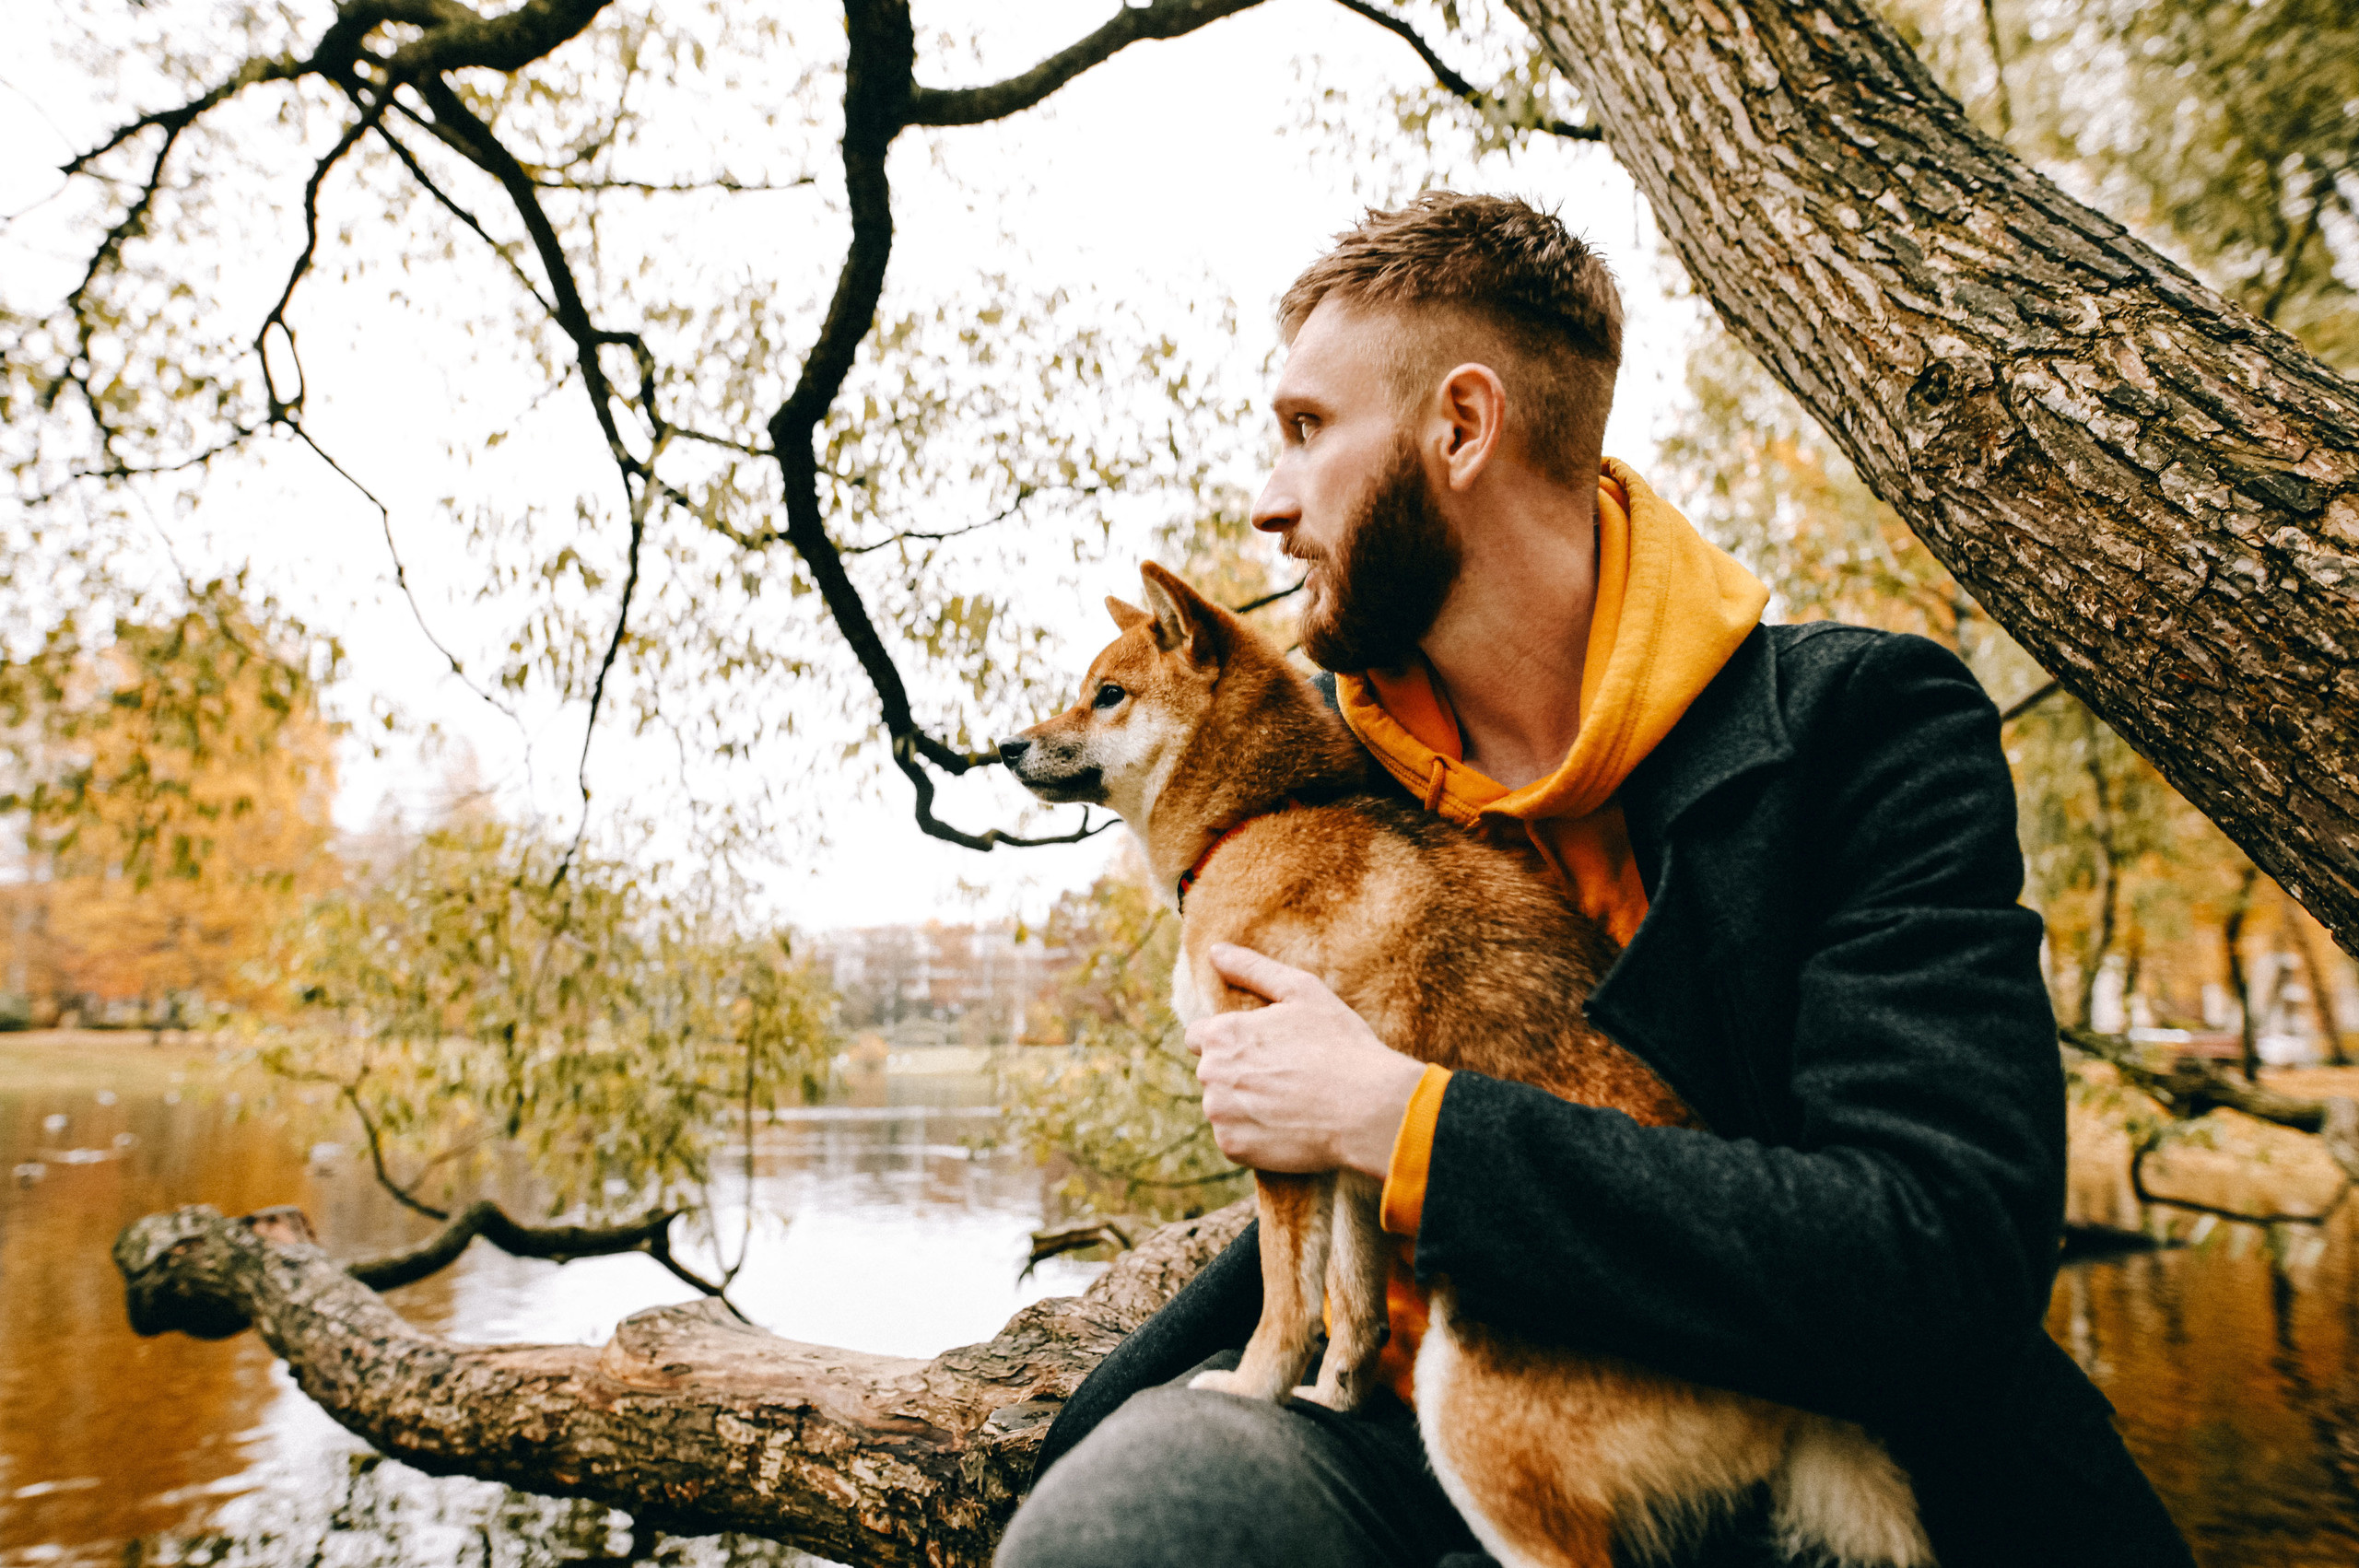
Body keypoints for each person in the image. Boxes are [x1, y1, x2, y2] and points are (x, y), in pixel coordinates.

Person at [994, 193, 2193, 1568]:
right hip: (1385, 1429)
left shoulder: (1864, 729)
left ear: (1462, 426)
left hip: (1783, 1429)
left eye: (1308, 430)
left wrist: (1403, 1121)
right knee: (1123, 1525)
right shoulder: (1318, 777)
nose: (1269, 502)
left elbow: (1938, 1250)